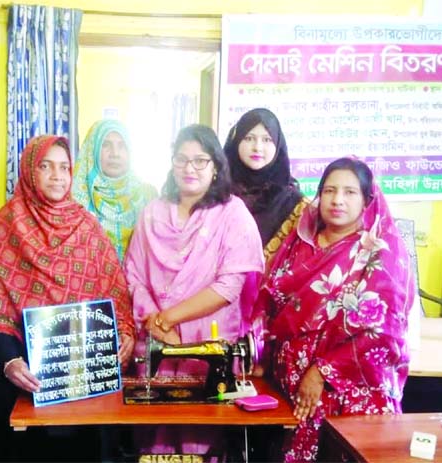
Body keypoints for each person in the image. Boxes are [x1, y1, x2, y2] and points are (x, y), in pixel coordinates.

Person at [0, 135, 136, 462]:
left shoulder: (86, 226)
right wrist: (10, 361)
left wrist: (126, 333)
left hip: (84, 378)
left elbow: (114, 289)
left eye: (64, 167)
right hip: (28, 378)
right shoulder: (7, 224)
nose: (57, 176)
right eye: (45, 166)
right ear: (29, 170)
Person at [254, 157, 414, 462]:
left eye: (349, 192)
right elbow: (271, 303)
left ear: (367, 200)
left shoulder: (378, 252)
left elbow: (384, 332)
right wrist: (264, 357)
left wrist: (321, 372)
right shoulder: (299, 243)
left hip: (345, 392)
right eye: (329, 190)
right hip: (288, 393)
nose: (337, 200)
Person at [124, 124, 264, 457]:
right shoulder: (152, 213)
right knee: (154, 440)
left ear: (215, 166)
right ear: (172, 164)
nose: (190, 168)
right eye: (181, 159)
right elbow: (134, 276)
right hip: (156, 340)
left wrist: (169, 318)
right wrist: (156, 323)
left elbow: (229, 286)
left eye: (200, 160)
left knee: (203, 438)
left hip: (207, 338)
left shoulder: (232, 214)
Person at [223, 108, 307, 264]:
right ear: (236, 141)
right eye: (249, 138)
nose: (257, 147)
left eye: (267, 140)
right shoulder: (217, 192)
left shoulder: (293, 203)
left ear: (278, 144)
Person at [71, 119, 157, 260]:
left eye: (122, 146)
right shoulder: (74, 200)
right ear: (92, 151)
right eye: (106, 145)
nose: (115, 153)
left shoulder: (147, 197)